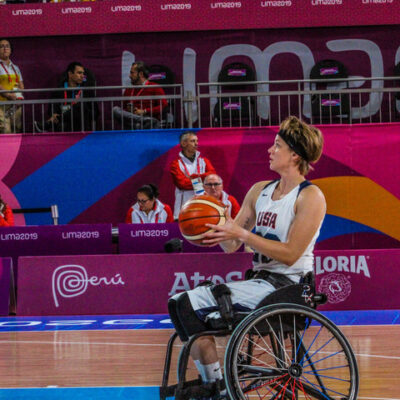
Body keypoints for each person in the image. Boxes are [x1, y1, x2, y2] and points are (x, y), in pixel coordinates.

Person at [168, 116, 326, 395]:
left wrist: (242, 234)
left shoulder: (310, 196)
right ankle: (215, 383)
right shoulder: (259, 191)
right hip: (260, 282)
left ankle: (218, 386)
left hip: (290, 287)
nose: (270, 150)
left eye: (277, 145)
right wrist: (216, 229)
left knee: (187, 302)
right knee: (180, 303)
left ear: (294, 155)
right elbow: (231, 244)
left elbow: (290, 254)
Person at [34, 61, 97, 133]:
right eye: (79, 73)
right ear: (70, 74)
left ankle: (50, 123)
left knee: (81, 105)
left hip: (81, 123)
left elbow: (95, 113)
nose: (82, 76)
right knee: (77, 107)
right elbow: (52, 110)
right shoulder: (58, 91)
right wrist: (54, 114)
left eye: (83, 73)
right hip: (65, 125)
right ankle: (59, 119)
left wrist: (78, 109)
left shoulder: (87, 92)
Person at [170, 131, 217, 220]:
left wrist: (193, 177)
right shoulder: (175, 164)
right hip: (183, 208)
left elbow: (212, 178)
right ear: (183, 143)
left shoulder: (204, 161)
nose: (196, 144)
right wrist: (202, 180)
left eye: (197, 141)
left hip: (203, 207)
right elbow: (182, 184)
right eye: (192, 141)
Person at [113, 61, 168, 130]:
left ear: (141, 74)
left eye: (132, 73)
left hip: (149, 120)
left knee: (151, 121)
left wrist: (144, 111)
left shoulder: (154, 87)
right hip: (133, 122)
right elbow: (123, 110)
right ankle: (140, 123)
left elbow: (164, 106)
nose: (130, 76)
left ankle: (144, 122)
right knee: (115, 110)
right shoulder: (128, 90)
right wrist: (129, 111)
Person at [0, 38, 24, 134]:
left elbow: (21, 85)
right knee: (5, 131)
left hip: (15, 104)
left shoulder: (15, 67)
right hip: (1, 105)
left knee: (16, 130)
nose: (5, 48)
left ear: (10, 50)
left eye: (7, 46)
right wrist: (9, 95)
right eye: (1, 46)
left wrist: (19, 97)